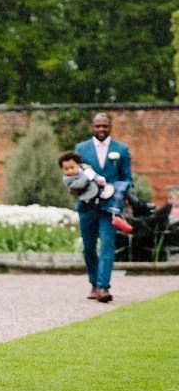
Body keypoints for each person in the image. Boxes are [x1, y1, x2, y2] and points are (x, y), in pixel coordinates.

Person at [74, 112, 134, 303]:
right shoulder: (81, 149)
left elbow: (127, 179)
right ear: (92, 127)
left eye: (104, 126)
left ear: (110, 127)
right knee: (89, 247)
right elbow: (75, 176)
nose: (101, 129)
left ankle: (103, 287)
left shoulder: (121, 150)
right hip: (87, 204)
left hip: (110, 206)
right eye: (98, 126)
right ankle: (94, 283)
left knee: (107, 245)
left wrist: (118, 191)